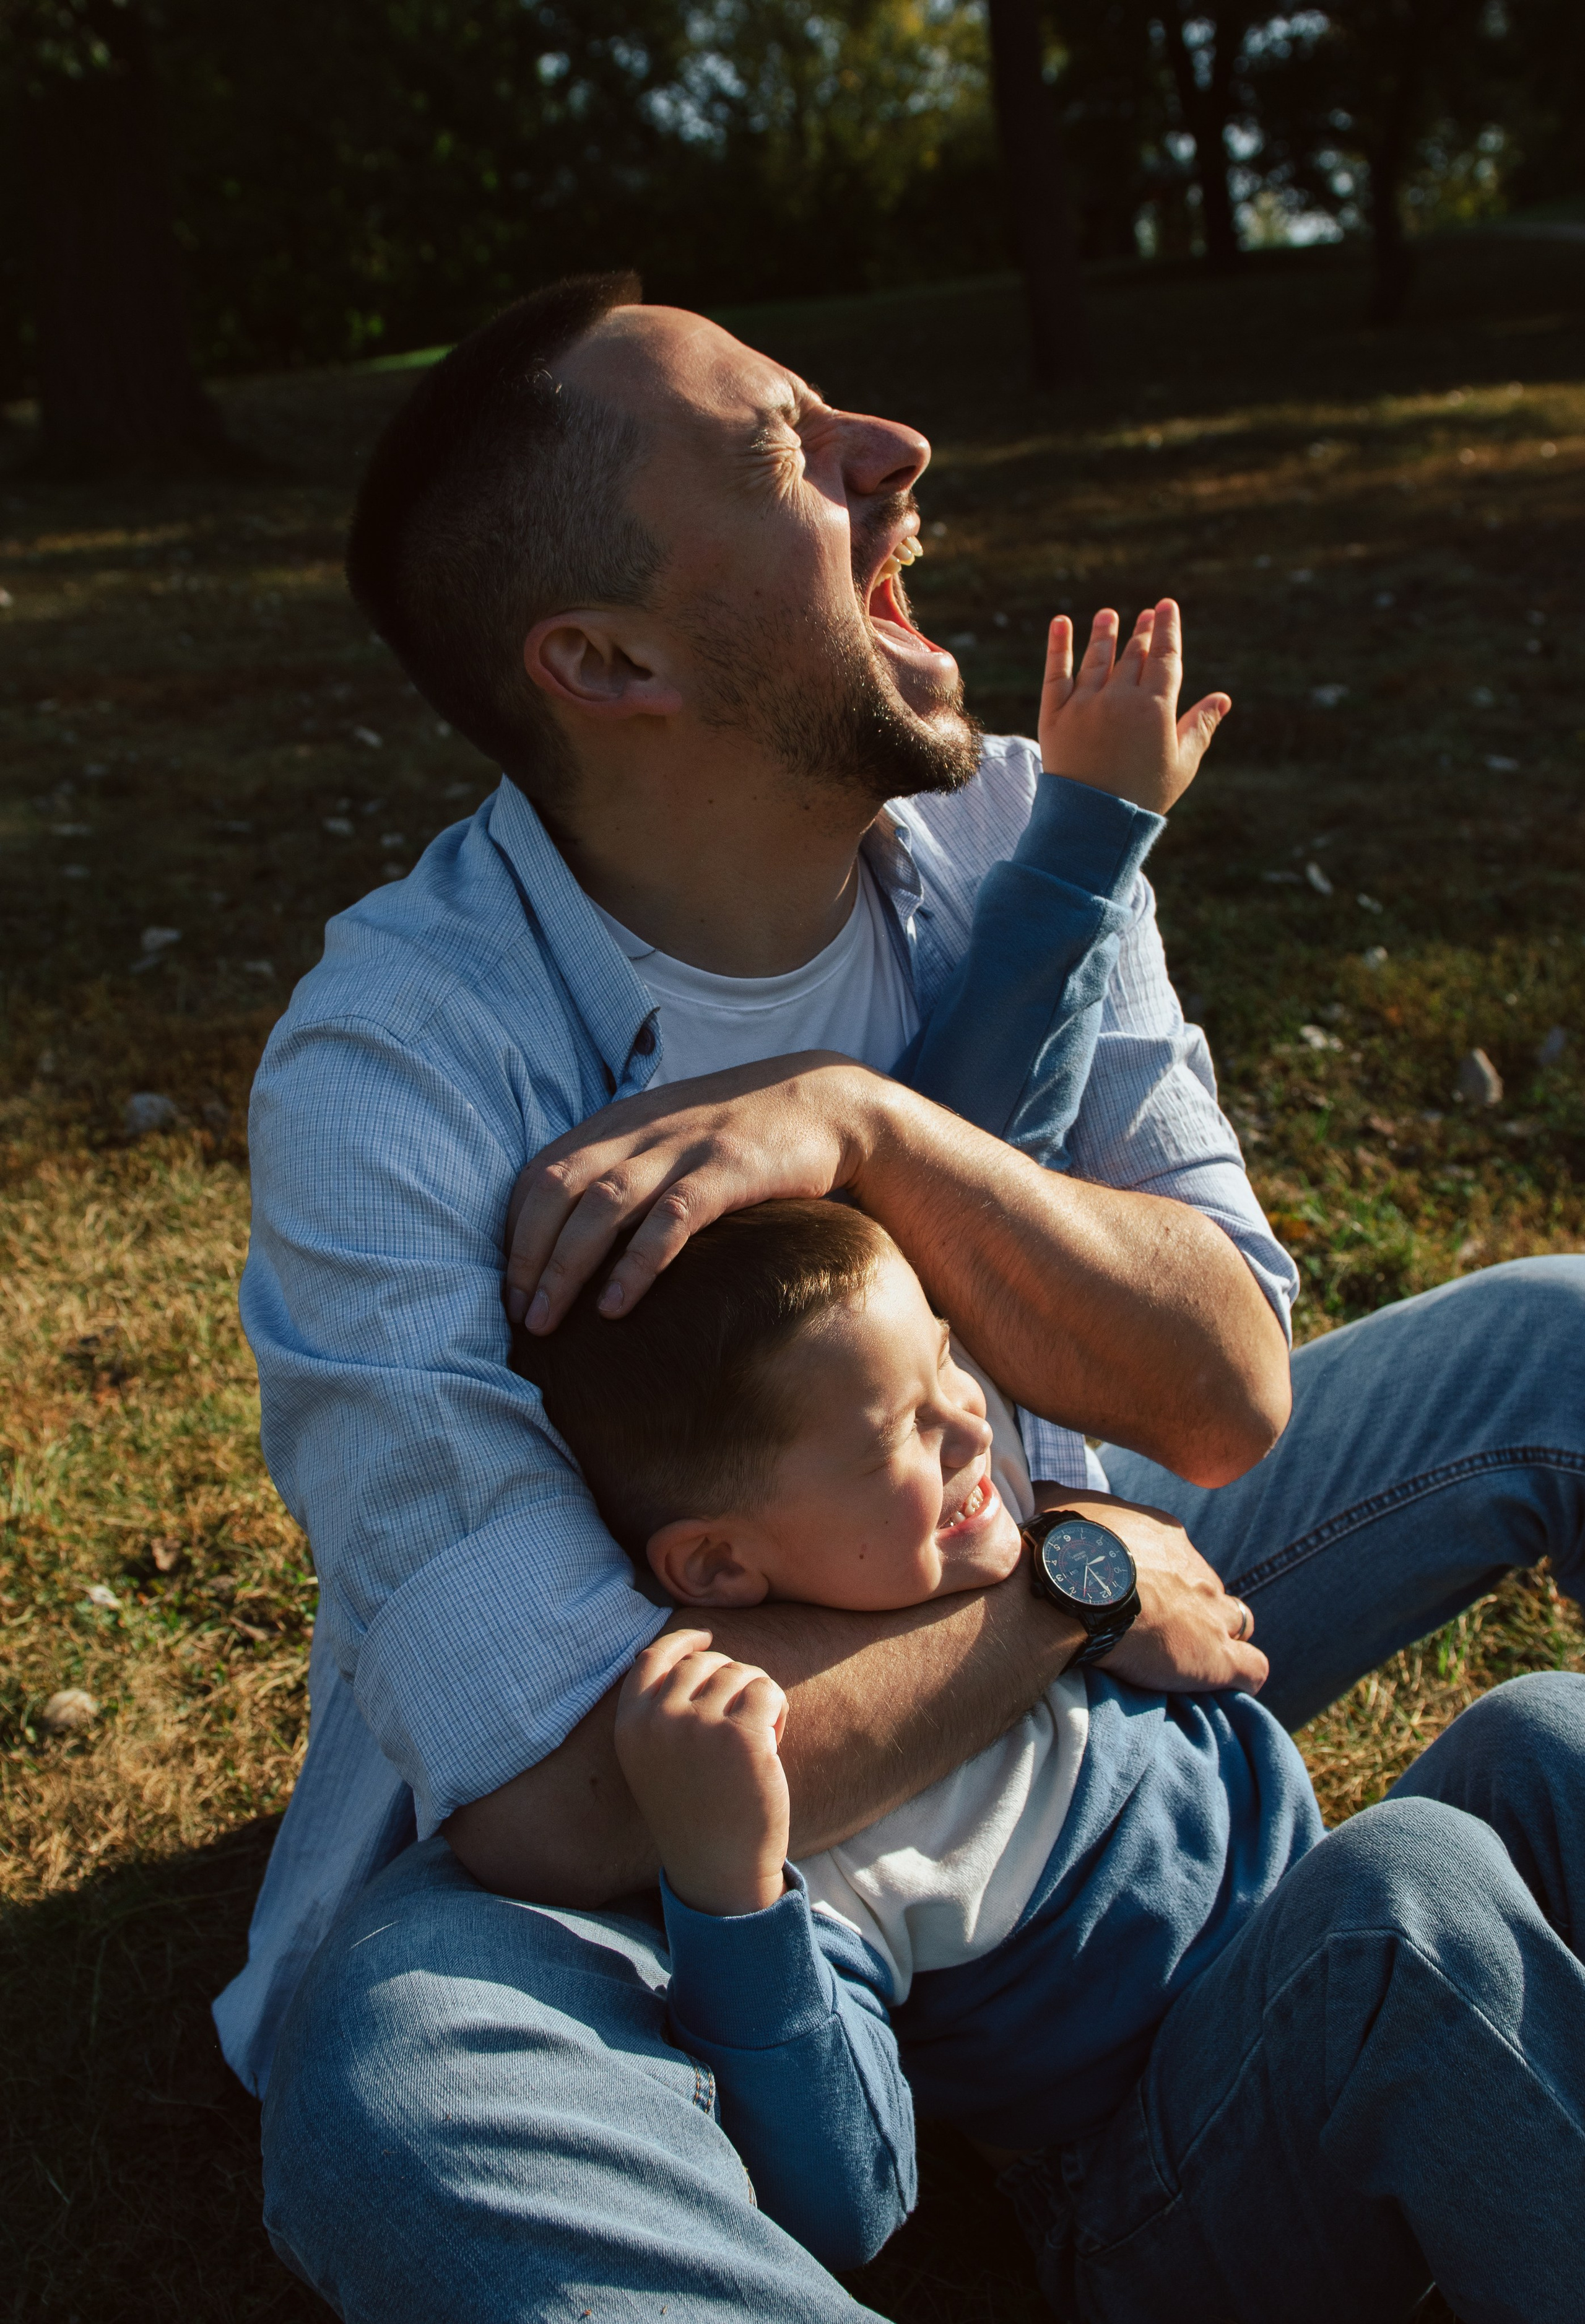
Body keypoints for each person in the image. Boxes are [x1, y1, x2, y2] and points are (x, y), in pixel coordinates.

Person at [221, 272, 1585, 2320]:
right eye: (786, 450)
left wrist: (878, 1132)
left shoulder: (1019, 832)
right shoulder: (401, 1066)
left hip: (1056, 1561)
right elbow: (560, 1799)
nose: (896, 456)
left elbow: (1222, 1399)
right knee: (396, 2075)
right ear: (608, 657)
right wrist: (1066, 1592)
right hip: (732, 1803)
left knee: (1564, 1331)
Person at [524, 1198, 1585, 2323]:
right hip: (1164, 2206)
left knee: (1541, 1731)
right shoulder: (813, 1809)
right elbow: (839, 2201)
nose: (972, 1427)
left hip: (1294, 1988)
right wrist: (733, 1900)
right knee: (1398, 1903)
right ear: (723, 1564)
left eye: (948, 1359)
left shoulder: (981, 1572)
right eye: (898, 1430)